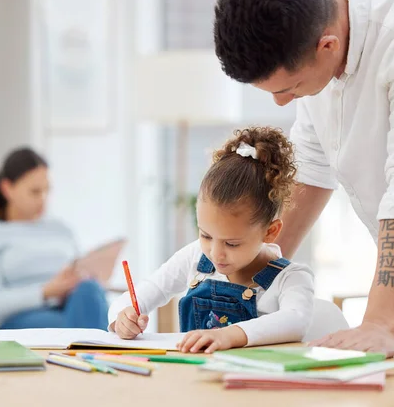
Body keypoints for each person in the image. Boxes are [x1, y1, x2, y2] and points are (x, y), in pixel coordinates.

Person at [214, 0, 394, 401]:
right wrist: (245, 277)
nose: (281, 102)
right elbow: (311, 172)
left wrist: (380, 323)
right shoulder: (316, 41)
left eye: (288, 88)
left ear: (328, 46)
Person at [109, 126, 315, 353]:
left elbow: (296, 321)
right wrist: (122, 316)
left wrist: (229, 335)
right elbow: (149, 289)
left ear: (270, 231)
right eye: (205, 235)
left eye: (232, 243)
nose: (215, 253)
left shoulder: (291, 278)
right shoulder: (195, 258)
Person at [0, 147, 108, 330]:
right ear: (7, 188)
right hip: (20, 317)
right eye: (34, 192)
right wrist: (46, 292)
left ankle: (90, 352)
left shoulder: (61, 228)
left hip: (71, 306)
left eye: (47, 191)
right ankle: (106, 355)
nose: (43, 199)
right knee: (79, 327)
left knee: (89, 289)